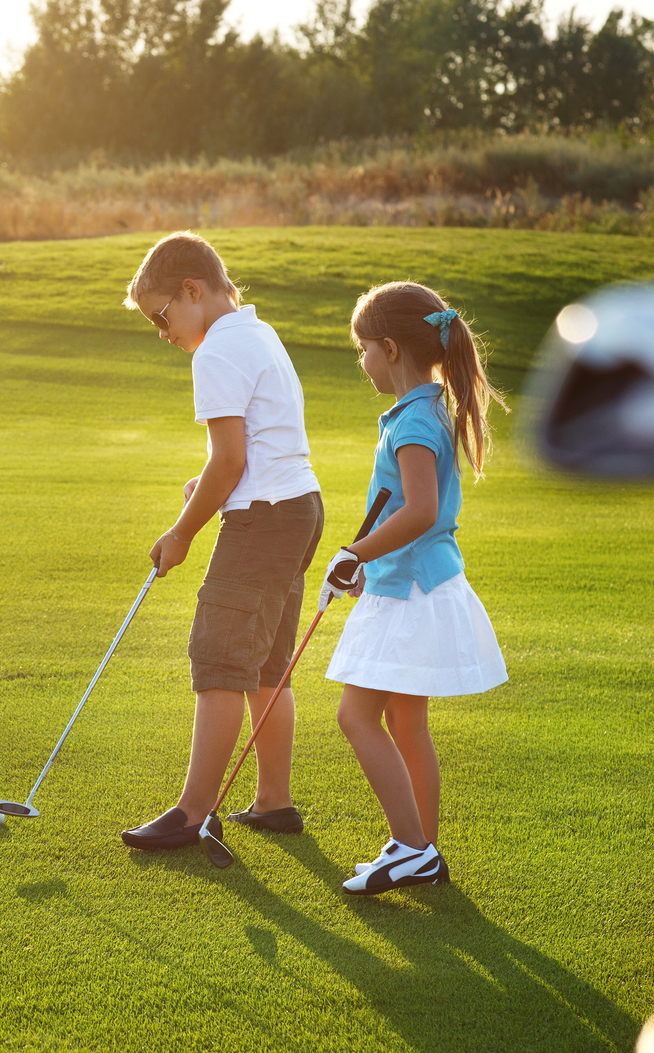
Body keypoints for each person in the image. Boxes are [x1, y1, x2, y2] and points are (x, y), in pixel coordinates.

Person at [119, 231, 326, 851]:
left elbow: (231, 459)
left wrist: (182, 532)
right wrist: (207, 484)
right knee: (267, 663)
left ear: (192, 290)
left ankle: (190, 813)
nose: (162, 331)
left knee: (218, 659)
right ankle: (273, 802)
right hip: (300, 508)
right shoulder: (257, 333)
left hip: (264, 519)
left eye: (162, 314)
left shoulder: (211, 354)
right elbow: (248, 449)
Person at [319, 281, 508, 895]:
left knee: (356, 716)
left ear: (391, 349)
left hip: (410, 593)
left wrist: (354, 552)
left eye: (364, 349)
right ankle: (421, 848)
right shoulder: (423, 411)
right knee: (405, 722)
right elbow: (410, 510)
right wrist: (367, 563)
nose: (362, 360)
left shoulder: (414, 422)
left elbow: (421, 510)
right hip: (412, 582)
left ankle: (411, 848)